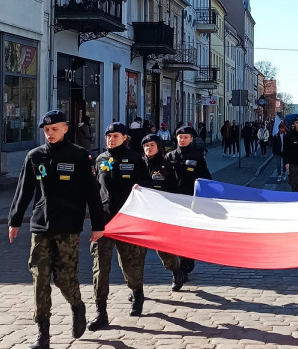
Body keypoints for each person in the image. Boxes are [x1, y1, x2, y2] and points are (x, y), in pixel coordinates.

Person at [8, 110, 105, 349]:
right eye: (46, 130)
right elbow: (24, 190)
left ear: (65, 128)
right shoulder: (35, 156)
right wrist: (15, 220)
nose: (49, 134)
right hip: (41, 226)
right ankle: (43, 334)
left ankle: (77, 305)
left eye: (54, 129)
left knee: (64, 279)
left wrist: (98, 224)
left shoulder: (80, 157)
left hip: (68, 225)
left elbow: (92, 193)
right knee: (40, 277)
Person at [89, 122, 149, 325]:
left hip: (127, 220)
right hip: (104, 221)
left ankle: (137, 292)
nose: (111, 139)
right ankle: (101, 313)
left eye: (115, 136)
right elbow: (96, 190)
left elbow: (146, 188)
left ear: (125, 137)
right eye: (108, 136)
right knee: (100, 267)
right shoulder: (101, 159)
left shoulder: (136, 159)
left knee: (129, 265)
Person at [141, 133, 188, 290]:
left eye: (152, 145)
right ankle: (136, 287)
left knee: (163, 248)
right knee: (135, 254)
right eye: (146, 146)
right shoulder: (138, 164)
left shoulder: (166, 165)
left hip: (161, 212)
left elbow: (174, 189)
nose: (149, 148)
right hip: (142, 213)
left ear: (158, 147)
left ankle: (175, 271)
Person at [166, 125, 212, 277]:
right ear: (176, 139)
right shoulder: (170, 157)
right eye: (180, 137)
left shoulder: (197, 157)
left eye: (186, 137)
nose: (183, 140)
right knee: (175, 236)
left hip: (191, 202)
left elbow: (206, 178)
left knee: (188, 234)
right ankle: (177, 269)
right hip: (174, 202)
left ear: (191, 139)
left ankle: (186, 262)